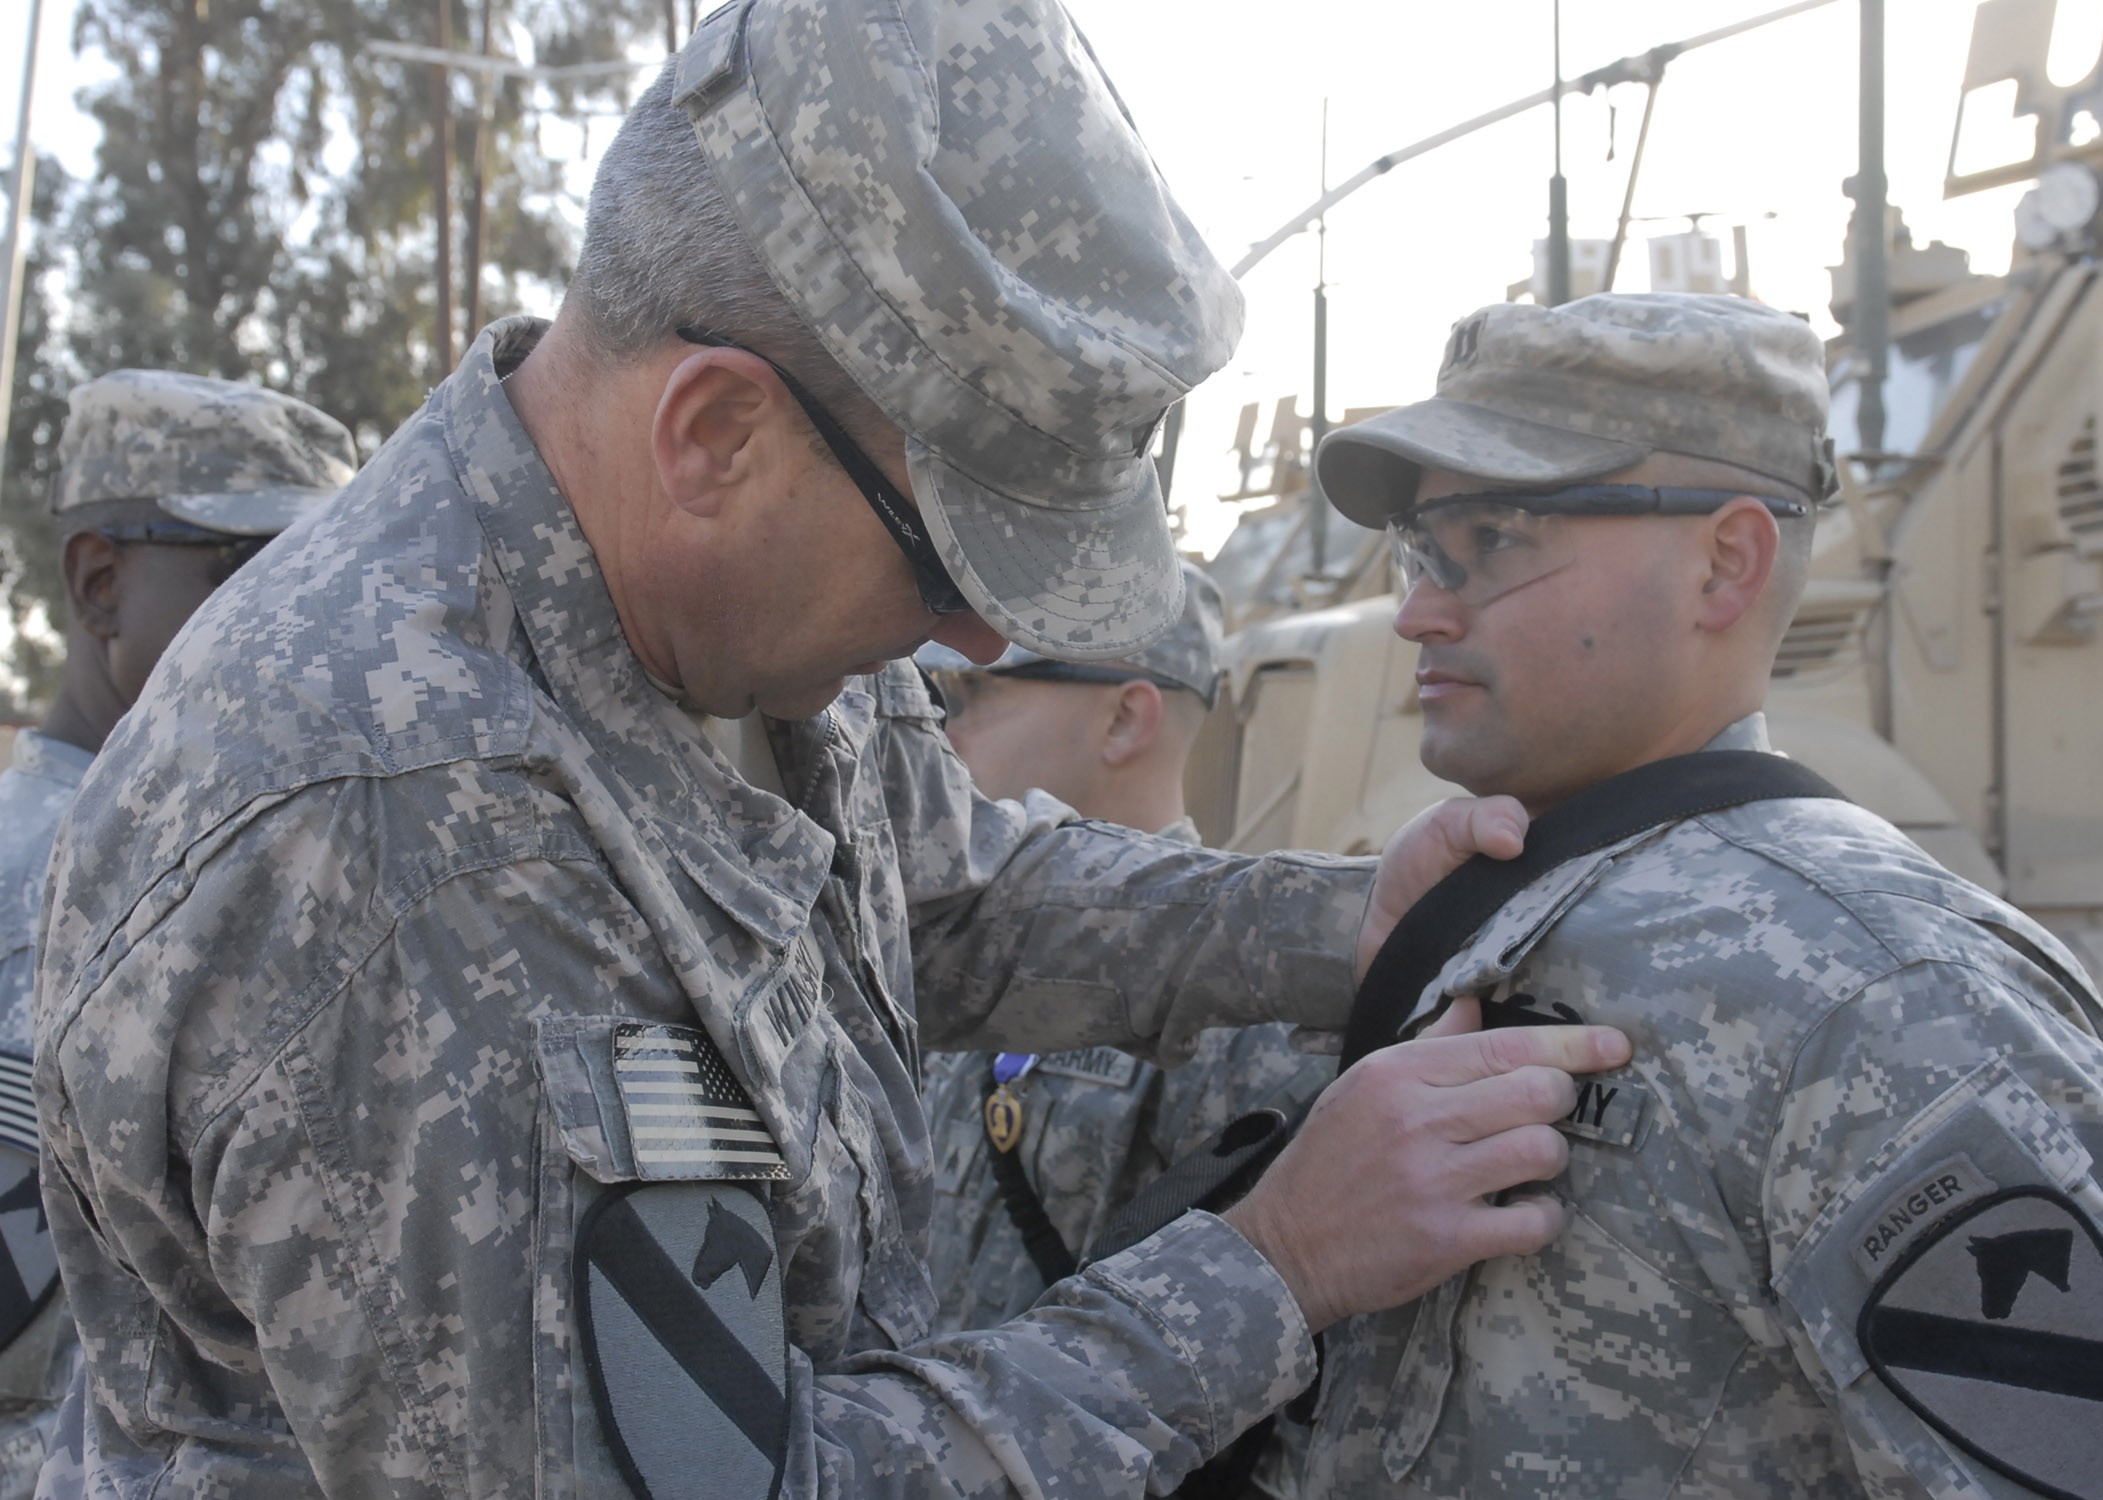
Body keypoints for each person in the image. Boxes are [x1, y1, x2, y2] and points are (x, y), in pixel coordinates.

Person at [30, 5, 1626, 1496]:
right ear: (712, 433)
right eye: (949, 567)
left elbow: (946, 894)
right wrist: (1272, 1265)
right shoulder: (406, 843)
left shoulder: (731, 590)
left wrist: (1333, 922)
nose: (982, 643)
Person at [1287, 290, 2103, 1498]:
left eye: (1497, 540)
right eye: (1423, 548)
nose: (1420, 610)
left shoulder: (1894, 999)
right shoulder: (1494, 903)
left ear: (1726, 562)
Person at [0, 371, 352, 1498]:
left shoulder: (210, 861)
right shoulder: (55, 891)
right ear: (100, 583)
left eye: (320, 576)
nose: (293, 619)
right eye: (241, 572)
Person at [915, 562, 1334, 1494]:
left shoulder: (1256, 1015)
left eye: (969, 694)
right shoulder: (931, 953)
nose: (939, 729)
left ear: (1124, 720)